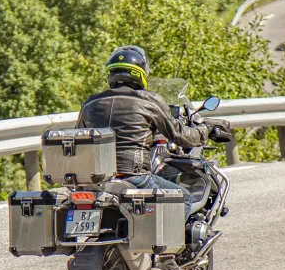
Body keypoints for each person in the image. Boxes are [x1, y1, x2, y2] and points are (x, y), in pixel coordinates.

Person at [77, 46, 210, 215]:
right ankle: (174, 241)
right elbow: (180, 135)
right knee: (184, 197)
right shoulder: (149, 101)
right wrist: (205, 129)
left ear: (110, 75)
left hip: (96, 180)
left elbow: (79, 138)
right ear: (141, 74)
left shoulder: (90, 104)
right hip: (133, 176)